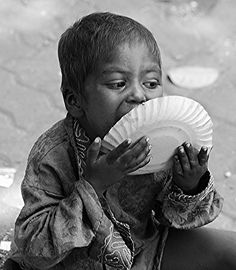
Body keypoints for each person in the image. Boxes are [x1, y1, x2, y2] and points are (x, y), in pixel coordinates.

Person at [5, 12, 236, 270]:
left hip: (141, 252)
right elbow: (36, 248)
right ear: (74, 100)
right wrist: (92, 187)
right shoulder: (53, 155)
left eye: (151, 82)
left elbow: (171, 218)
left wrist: (189, 184)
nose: (139, 95)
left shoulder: (157, 142)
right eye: (118, 84)